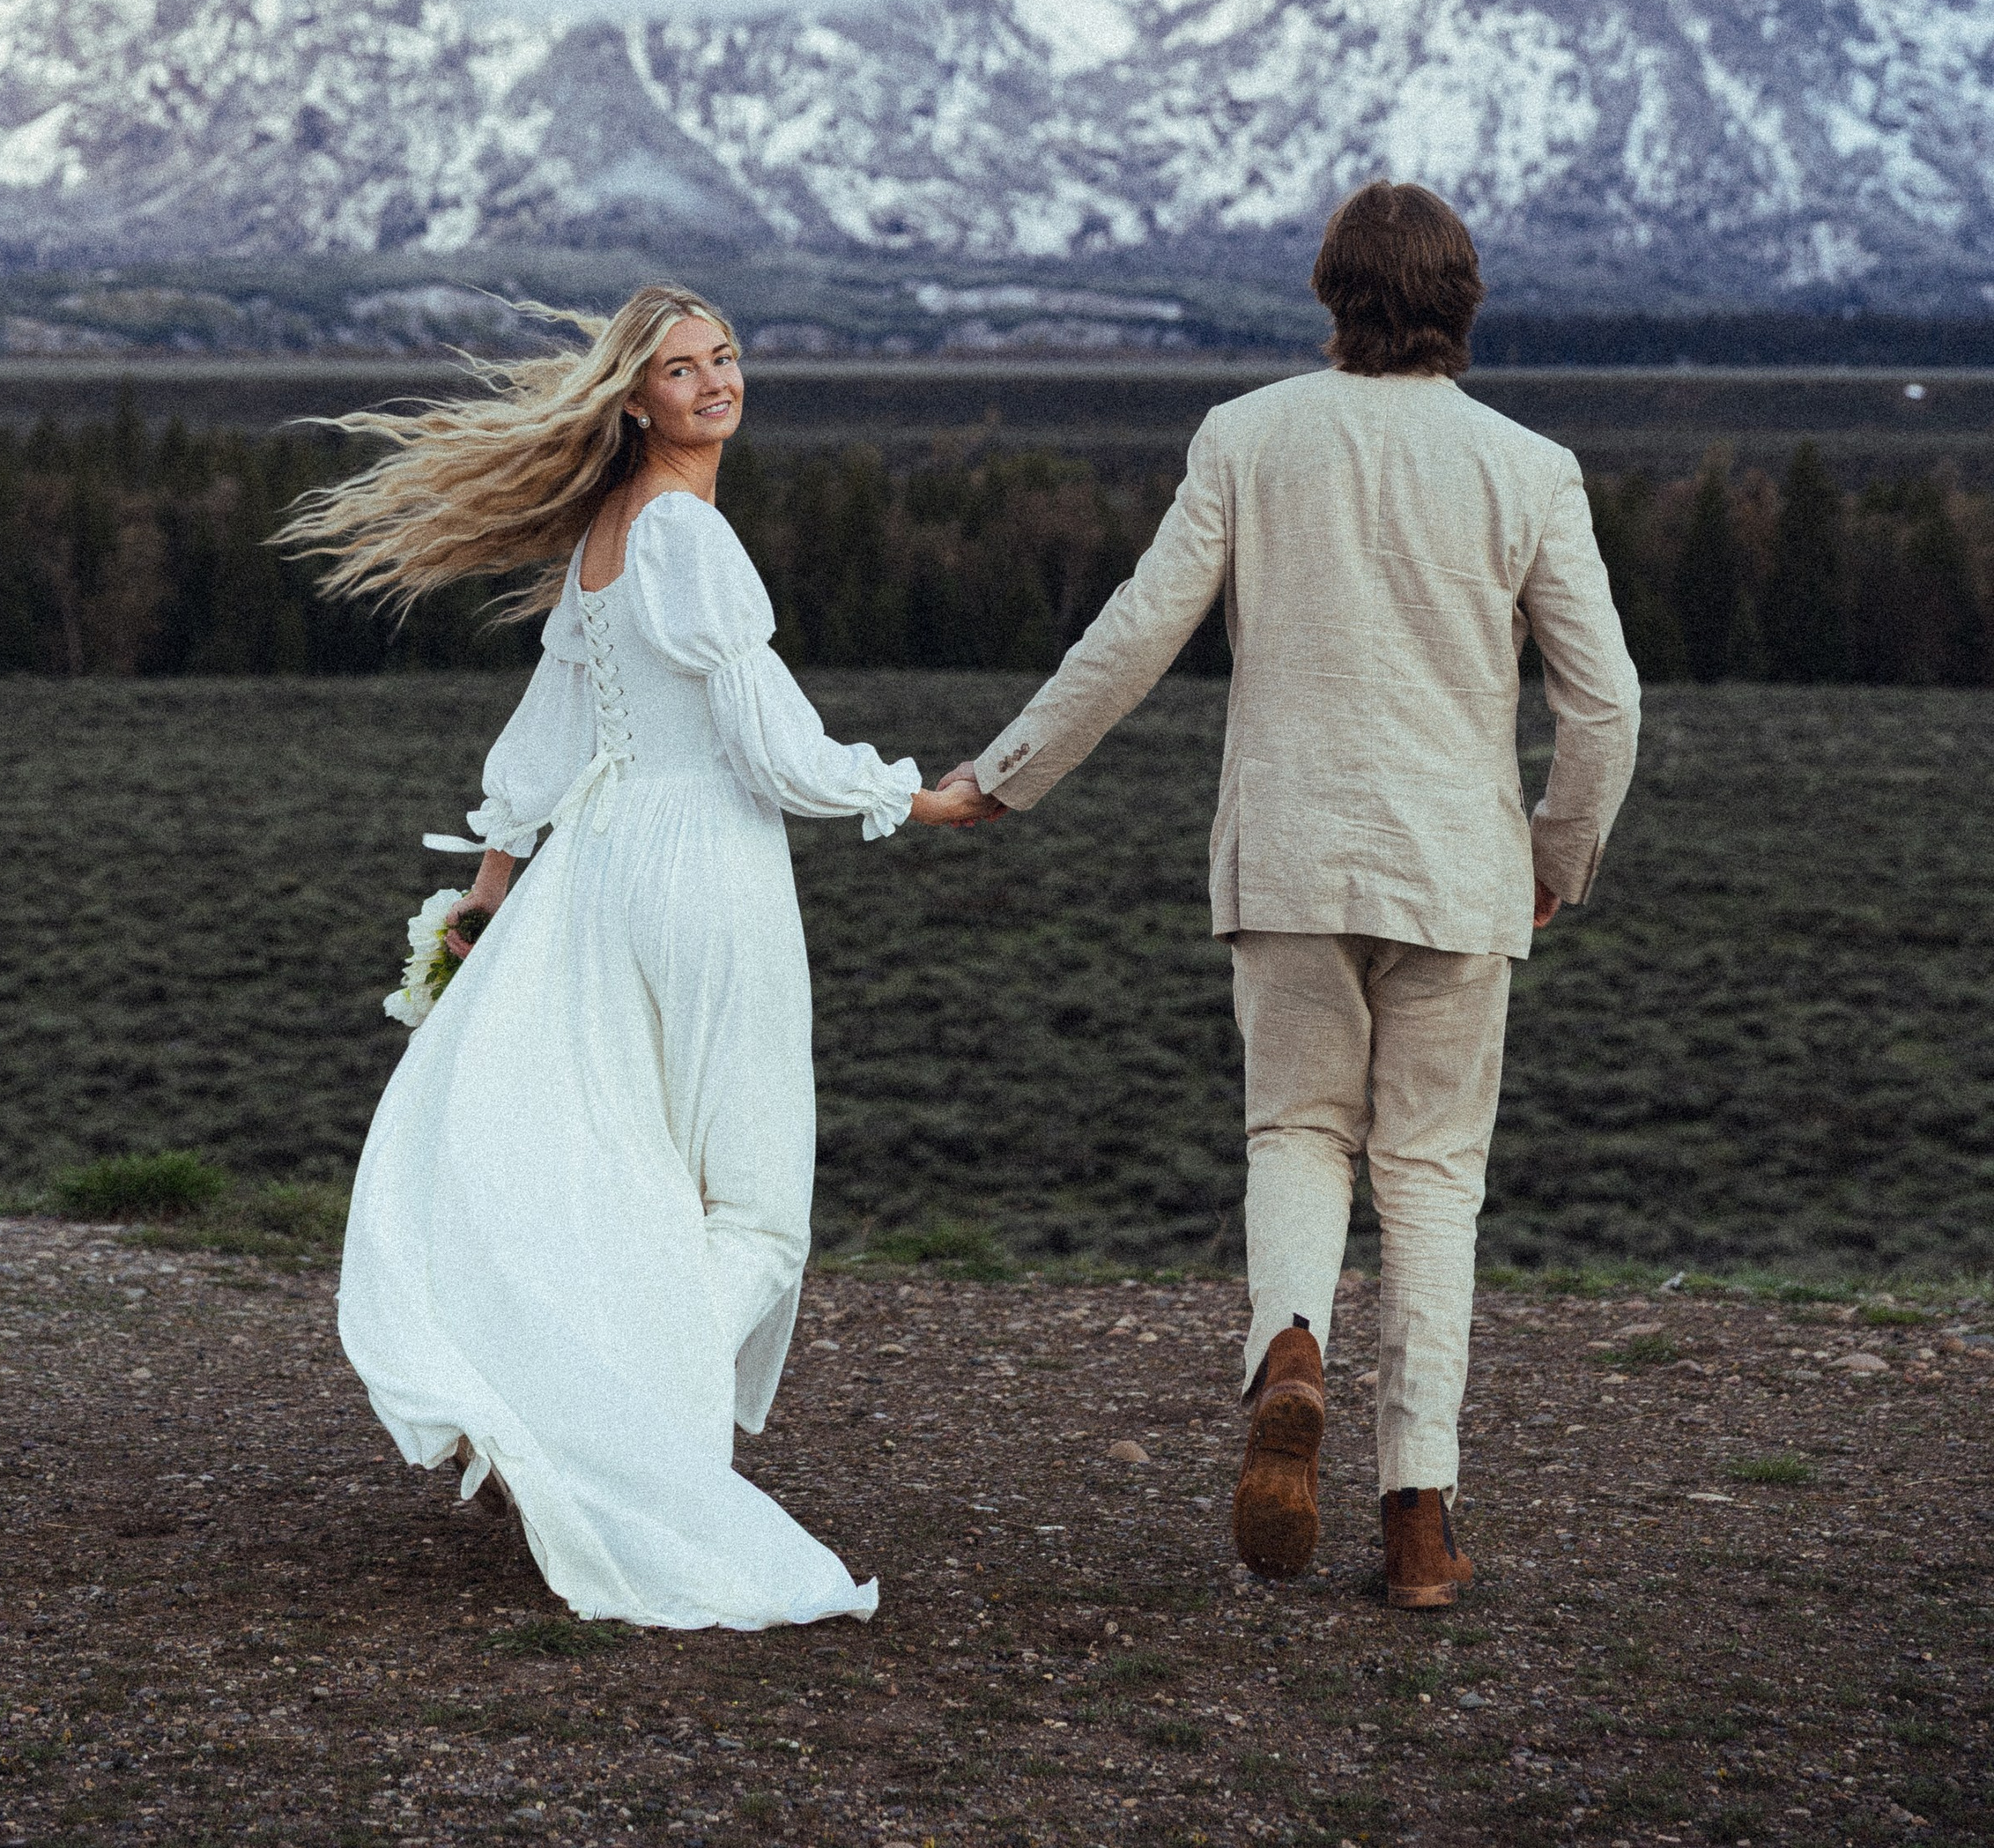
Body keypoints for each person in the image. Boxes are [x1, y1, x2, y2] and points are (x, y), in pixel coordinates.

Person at [936, 182, 1639, 1608]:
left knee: (1298, 1133)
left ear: (1330, 295)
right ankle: (1419, 1523)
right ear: (1466, 301)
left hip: (1291, 856)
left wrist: (1008, 776)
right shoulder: (1531, 468)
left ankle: (1293, 1348)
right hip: (1457, 870)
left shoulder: (1247, 438)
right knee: (1434, 1179)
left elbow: (1138, 629)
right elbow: (1608, 701)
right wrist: (1554, 859)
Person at [284, 286, 988, 1632]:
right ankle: (608, 1436)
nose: (717, 382)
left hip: (600, 879)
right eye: (683, 369)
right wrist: (921, 797)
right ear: (636, 400)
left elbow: (543, 739)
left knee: (637, 1166)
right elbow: (772, 753)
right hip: (706, 872)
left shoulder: (610, 539)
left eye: (725, 356)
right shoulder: (690, 541)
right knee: (760, 1217)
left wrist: (488, 898)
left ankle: (566, 1401)